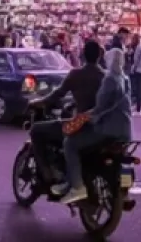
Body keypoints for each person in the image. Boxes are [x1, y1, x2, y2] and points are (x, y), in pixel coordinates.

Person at [56, 47, 133, 205]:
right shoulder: (125, 78)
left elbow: (101, 107)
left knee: (70, 143)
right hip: (125, 131)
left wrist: (85, 117)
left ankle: (77, 186)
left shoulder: (110, 79)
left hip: (107, 129)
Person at [28, 40, 105, 186]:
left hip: (81, 126)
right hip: (100, 125)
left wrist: (37, 102)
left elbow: (57, 95)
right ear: (100, 56)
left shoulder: (76, 74)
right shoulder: (105, 76)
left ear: (83, 54)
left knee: (36, 130)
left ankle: (47, 172)